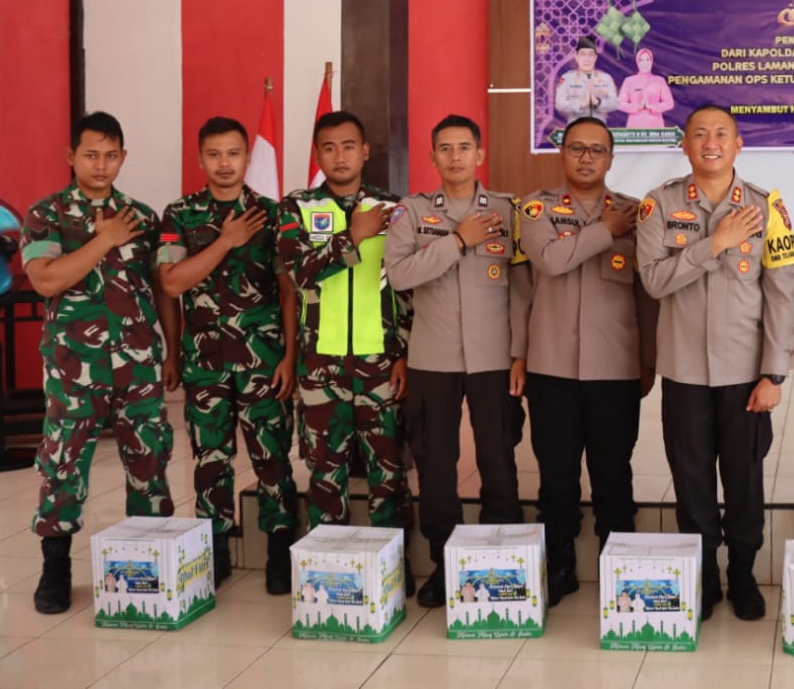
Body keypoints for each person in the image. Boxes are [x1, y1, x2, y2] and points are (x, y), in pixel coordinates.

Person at [636, 105, 794, 621]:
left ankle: (744, 572)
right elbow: (655, 281)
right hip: (684, 370)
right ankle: (704, 571)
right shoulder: (657, 205)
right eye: (699, 134)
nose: (711, 142)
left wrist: (775, 373)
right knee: (690, 476)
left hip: (744, 374)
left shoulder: (767, 207)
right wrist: (716, 244)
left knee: (744, 476)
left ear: (738, 143)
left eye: (721, 134)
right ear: (684, 145)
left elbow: (782, 293)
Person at [21, 111, 178, 615]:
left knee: (149, 461)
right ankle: (56, 566)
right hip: (74, 367)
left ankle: (147, 561)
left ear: (123, 158)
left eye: (111, 155)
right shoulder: (47, 215)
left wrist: (171, 349)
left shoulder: (142, 217)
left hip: (138, 364)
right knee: (64, 464)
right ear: (71, 157)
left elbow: (161, 289)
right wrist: (103, 240)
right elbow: (45, 280)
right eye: (91, 154)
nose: (101, 165)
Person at [385, 114, 529, 608]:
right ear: (432, 157)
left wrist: (520, 353)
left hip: (493, 357)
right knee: (436, 465)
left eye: (464, 147)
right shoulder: (411, 212)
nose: (455, 157)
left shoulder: (510, 212)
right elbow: (400, 274)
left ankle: (502, 559)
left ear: (480, 154)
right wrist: (458, 239)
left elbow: (524, 289)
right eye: (444, 149)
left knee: (498, 459)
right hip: (433, 358)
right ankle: (445, 565)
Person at [513, 116, 658, 606]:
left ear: (611, 158)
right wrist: (604, 231)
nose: (587, 158)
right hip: (550, 366)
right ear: (563, 153)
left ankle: (619, 570)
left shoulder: (637, 214)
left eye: (597, 150)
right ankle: (560, 566)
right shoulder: (535, 208)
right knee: (555, 474)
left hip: (615, 368)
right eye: (577, 148)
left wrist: (648, 360)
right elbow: (550, 262)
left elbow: (648, 296)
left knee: (614, 472)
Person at [157, 116, 299, 594]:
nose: (224, 164)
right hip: (205, 361)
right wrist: (225, 240)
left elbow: (287, 292)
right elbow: (172, 283)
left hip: (263, 360)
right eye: (214, 154)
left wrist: (291, 357)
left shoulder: (272, 214)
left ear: (246, 158)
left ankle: (280, 547)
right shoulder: (179, 214)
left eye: (233, 153)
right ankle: (214, 548)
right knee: (209, 458)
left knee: (272, 456)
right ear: (200, 159)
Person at [277, 111, 413, 556]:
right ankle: (329, 568)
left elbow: (407, 287)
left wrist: (405, 352)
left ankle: (393, 570)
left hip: (380, 364)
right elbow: (299, 274)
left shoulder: (394, 209)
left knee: (388, 477)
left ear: (366, 151)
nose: (340, 156)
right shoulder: (296, 207)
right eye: (329, 148)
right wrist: (351, 238)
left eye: (349, 146)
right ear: (318, 154)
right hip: (321, 366)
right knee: (323, 474)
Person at [554, 36, 618, 125]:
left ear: (595, 58)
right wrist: (581, 104)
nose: (587, 59)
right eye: (583, 54)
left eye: (590, 54)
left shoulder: (605, 78)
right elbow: (560, 104)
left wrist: (597, 102)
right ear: (576, 57)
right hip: (575, 128)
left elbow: (614, 103)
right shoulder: (567, 79)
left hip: (599, 128)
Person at [617, 48, 675, 129]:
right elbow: (620, 104)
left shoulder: (659, 80)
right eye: (642, 60)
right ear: (637, 62)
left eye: (648, 60)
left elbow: (669, 103)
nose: (645, 63)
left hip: (655, 124)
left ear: (652, 62)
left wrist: (652, 107)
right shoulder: (629, 81)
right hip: (635, 124)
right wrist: (637, 107)